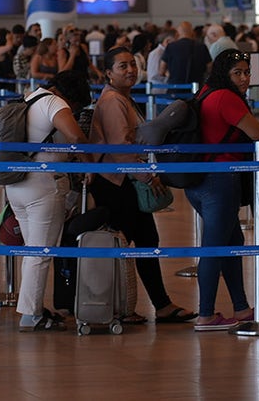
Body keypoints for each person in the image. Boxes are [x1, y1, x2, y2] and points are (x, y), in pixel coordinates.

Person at [89, 47, 195, 324]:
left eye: (132, 65)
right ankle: (132, 307)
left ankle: (156, 305)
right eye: (122, 66)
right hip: (117, 182)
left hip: (122, 179)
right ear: (108, 73)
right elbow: (121, 148)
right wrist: (148, 176)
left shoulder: (122, 97)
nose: (130, 70)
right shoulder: (113, 101)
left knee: (144, 240)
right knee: (134, 241)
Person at [187, 50, 259, 331]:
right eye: (238, 72)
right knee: (215, 247)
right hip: (219, 181)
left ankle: (242, 308)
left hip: (198, 180)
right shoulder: (226, 97)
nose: (244, 78)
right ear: (226, 73)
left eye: (247, 72)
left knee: (232, 242)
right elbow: (258, 133)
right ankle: (206, 315)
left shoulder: (207, 91)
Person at [5, 70, 91, 332]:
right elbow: (75, 137)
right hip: (43, 186)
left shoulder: (30, 98)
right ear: (73, 98)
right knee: (40, 252)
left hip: (16, 183)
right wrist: (89, 166)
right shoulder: (55, 102)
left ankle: (34, 308)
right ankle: (30, 315)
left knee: (32, 250)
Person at [159, 21, 211, 86]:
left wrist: (170, 74)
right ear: (192, 33)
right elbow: (210, 68)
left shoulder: (170, 47)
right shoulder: (202, 47)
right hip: (197, 89)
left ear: (177, 34)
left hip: (175, 89)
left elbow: (161, 71)